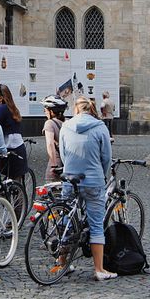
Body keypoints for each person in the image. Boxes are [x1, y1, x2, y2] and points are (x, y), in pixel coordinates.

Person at [59, 96, 117, 281]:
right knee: (96, 225)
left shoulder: (65, 126)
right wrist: (103, 174)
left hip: (70, 179)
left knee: (66, 219)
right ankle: (99, 269)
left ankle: (62, 262)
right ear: (92, 110)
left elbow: (63, 153)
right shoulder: (100, 127)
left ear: (76, 110)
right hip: (93, 180)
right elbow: (106, 157)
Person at [0, 84, 28, 182]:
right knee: (17, 184)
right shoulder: (12, 107)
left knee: (4, 181)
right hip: (18, 148)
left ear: (1, 98)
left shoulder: (2, 109)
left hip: (10, 148)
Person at [40, 95, 67, 182]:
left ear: (51, 111)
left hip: (57, 161)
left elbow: (50, 144)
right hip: (68, 162)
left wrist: (54, 165)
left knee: (51, 190)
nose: (44, 111)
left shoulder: (49, 123)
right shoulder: (68, 121)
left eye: (45, 109)